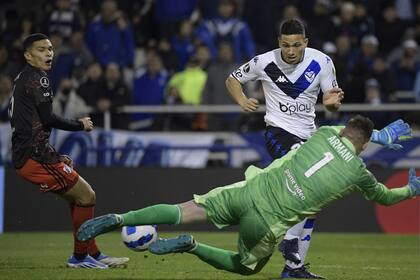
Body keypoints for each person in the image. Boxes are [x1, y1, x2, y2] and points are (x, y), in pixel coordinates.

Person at [76, 115, 418, 278]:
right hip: (268, 221)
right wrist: (411, 190)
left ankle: (119, 218)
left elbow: (349, 132)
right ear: (363, 145)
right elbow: (386, 197)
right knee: (245, 267)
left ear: (344, 131)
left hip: (247, 190)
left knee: (183, 209)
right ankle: (191, 246)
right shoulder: (360, 173)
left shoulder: (324, 133)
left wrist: (380, 136)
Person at [224, 18, 344, 278]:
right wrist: (242, 99)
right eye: (286, 45)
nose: (291, 51)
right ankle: (289, 240)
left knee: (313, 201)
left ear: (306, 43)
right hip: (278, 133)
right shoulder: (264, 62)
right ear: (279, 42)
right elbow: (232, 79)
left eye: (297, 45)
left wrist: (333, 103)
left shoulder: (322, 62)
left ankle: (293, 268)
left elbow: (330, 101)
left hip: (309, 136)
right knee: (306, 181)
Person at [8, 33, 129, 269]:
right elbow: (47, 118)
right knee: (87, 195)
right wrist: (80, 125)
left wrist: (53, 154)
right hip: (34, 157)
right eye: (41, 49)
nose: (49, 53)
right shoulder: (39, 79)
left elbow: (33, 124)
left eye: (50, 49)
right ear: (28, 55)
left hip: (34, 154)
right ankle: (81, 257)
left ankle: (91, 253)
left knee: (79, 198)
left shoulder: (23, 78)